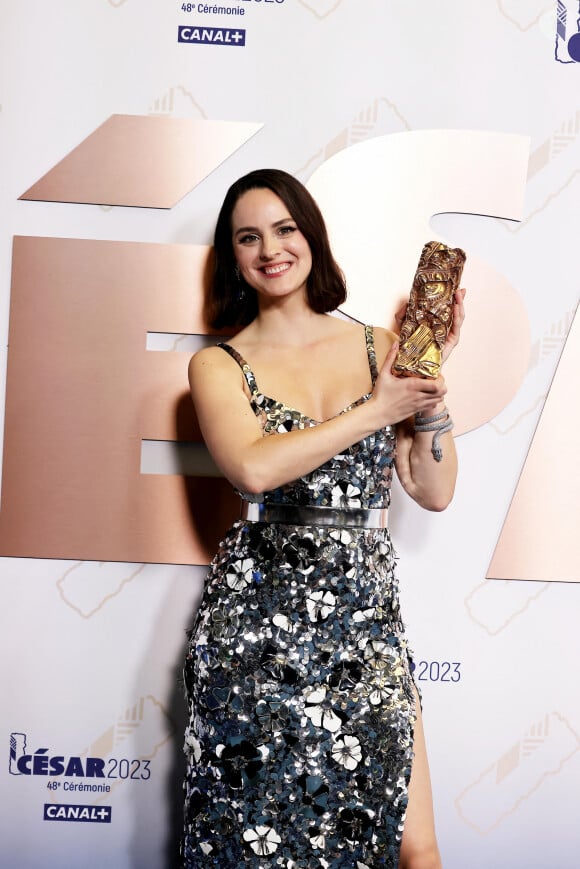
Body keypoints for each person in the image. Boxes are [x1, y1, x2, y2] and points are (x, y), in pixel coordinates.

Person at [182, 168, 465, 869]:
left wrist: (425, 391)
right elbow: (251, 468)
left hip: (363, 615)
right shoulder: (219, 364)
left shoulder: (380, 346)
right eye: (248, 237)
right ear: (233, 257)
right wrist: (378, 408)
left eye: (285, 228)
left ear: (311, 235)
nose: (270, 249)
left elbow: (433, 490)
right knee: (254, 845)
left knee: (415, 844)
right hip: (256, 625)